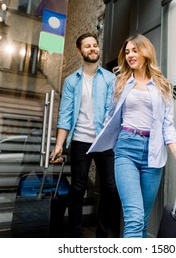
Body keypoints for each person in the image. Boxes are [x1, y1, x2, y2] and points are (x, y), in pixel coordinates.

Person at [88, 34, 176, 238]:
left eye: (134, 50)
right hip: (126, 149)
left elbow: (168, 126)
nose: (130, 55)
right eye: (127, 52)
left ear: (146, 52)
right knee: (134, 218)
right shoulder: (120, 82)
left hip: (153, 154)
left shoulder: (163, 85)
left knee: (142, 220)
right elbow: (110, 117)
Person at [50, 32, 120, 238]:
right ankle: (75, 233)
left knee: (110, 187)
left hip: (104, 140)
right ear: (79, 51)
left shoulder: (110, 78)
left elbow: (112, 111)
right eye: (88, 46)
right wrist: (58, 146)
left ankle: (102, 233)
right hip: (80, 140)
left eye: (95, 45)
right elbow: (65, 115)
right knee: (78, 188)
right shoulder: (72, 81)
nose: (93, 49)